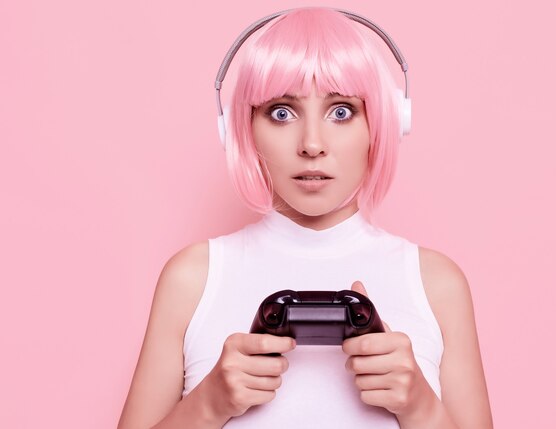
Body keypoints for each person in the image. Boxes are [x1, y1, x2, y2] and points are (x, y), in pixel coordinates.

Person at [118, 7, 493, 429]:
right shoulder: (191, 278)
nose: (312, 144)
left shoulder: (437, 284)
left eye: (341, 111)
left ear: (384, 124)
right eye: (281, 112)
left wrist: (420, 407)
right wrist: (209, 404)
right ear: (241, 129)